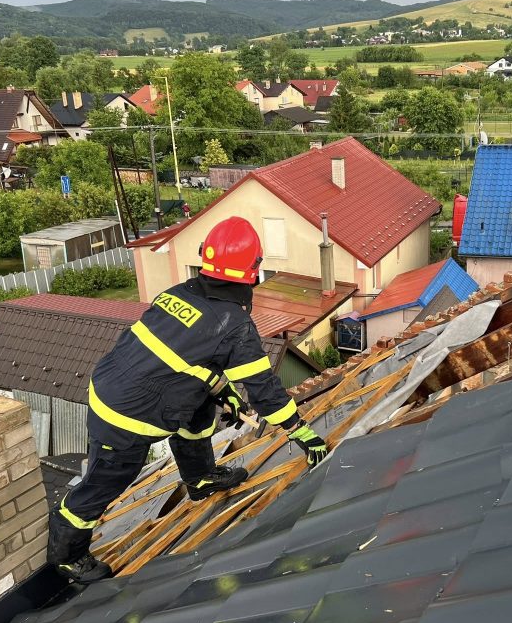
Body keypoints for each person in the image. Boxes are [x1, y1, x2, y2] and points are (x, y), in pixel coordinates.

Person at [47, 216, 329, 583]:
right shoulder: (235, 325)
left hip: (114, 384)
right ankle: (68, 556)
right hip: (126, 415)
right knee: (107, 481)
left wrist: (222, 389)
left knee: (201, 407)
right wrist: (302, 433)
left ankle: (200, 478)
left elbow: (179, 361)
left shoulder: (179, 293)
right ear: (253, 269)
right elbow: (265, 391)